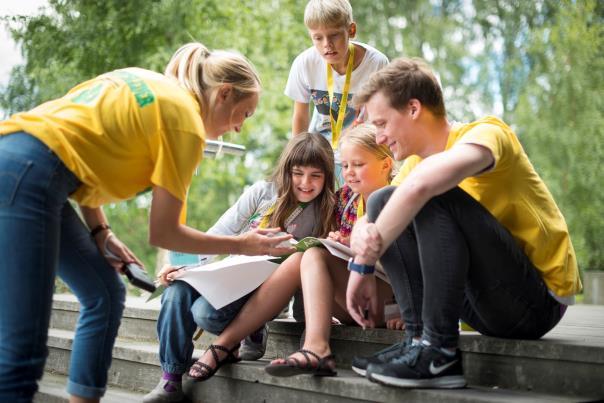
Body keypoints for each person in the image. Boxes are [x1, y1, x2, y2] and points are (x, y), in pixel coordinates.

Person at [0, 42, 295, 403]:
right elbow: (165, 232)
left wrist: (100, 230)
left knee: (105, 295)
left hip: (26, 163)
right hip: (28, 177)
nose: (238, 129)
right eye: (244, 115)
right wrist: (244, 244)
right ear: (224, 94)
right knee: (21, 354)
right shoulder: (185, 124)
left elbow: (78, 145)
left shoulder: (149, 84)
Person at [346, 58, 582, 389]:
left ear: (413, 108)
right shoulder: (416, 166)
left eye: (383, 123)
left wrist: (367, 259)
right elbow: (372, 218)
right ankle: (418, 343)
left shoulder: (488, 133)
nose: (380, 137)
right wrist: (361, 267)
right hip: (482, 300)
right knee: (382, 199)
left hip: (535, 302)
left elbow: (423, 186)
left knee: (428, 191)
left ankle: (440, 351)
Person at [143, 132, 336, 403]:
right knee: (175, 291)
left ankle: (254, 328)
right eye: (298, 173)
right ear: (285, 170)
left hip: (268, 289)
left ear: (327, 175)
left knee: (205, 314)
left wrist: (313, 317)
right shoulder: (262, 192)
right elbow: (220, 232)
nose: (305, 183)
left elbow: (314, 267)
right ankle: (171, 379)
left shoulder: (327, 210)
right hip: (232, 274)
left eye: (316, 175)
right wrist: (177, 265)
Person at [264, 123, 400, 377]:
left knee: (313, 253)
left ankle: (315, 348)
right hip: (353, 301)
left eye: (358, 165)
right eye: (345, 165)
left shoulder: (397, 200)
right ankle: (228, 341)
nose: (349, 172)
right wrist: (337, 241)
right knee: (306, 253)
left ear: (386, 164)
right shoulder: (345, 198)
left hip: (388, 304)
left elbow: (413, 264)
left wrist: (403, 311)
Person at [285, 0, 389, 177]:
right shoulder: (304, 63)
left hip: (361, 154)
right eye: (318, 38)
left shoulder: (377, 64)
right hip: (318, 153)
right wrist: (296, 159)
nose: (327, 44)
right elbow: (300, 116)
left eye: (334, 35)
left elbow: (385, 118)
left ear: (351, 30)